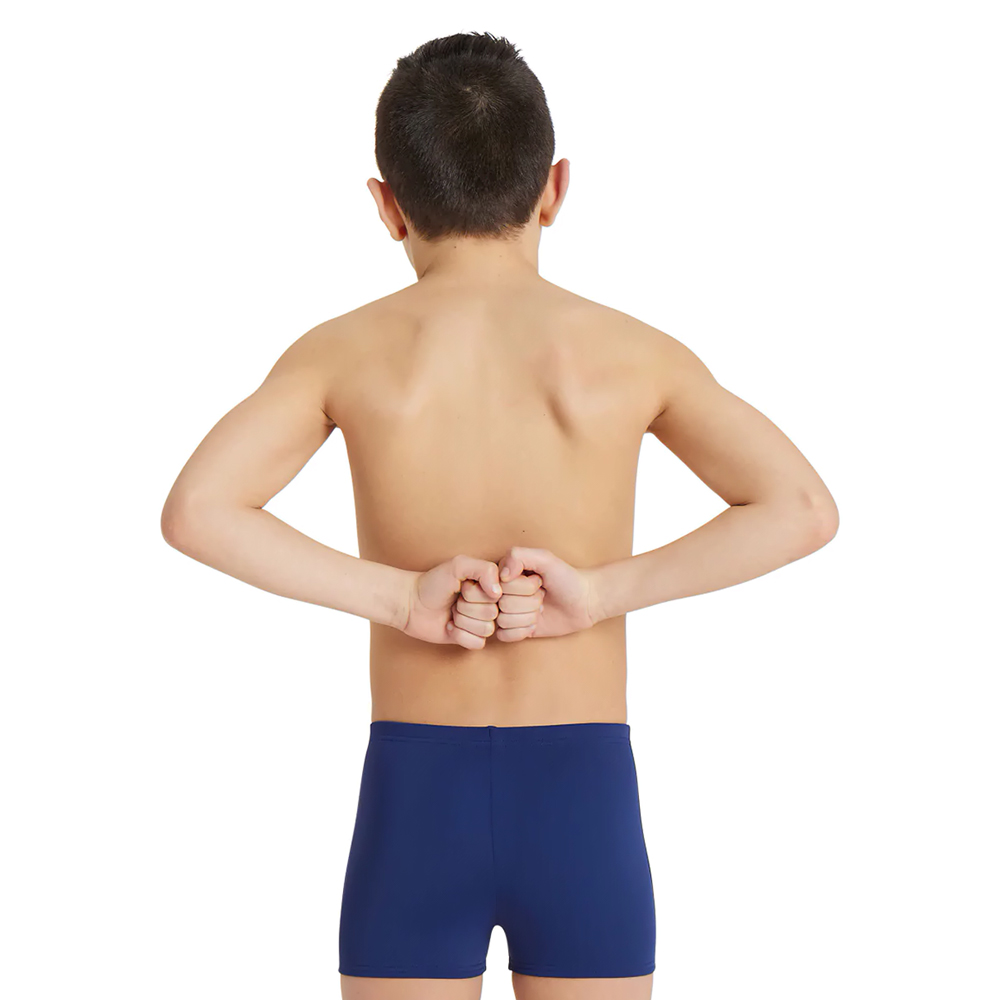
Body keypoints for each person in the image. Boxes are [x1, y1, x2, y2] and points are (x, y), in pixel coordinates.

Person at [160, 30, 839, 1000]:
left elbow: (199, 509)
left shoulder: (343, 353)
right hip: (581, 790)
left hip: (414, 794)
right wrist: (597, 593)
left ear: (387, 206)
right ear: (554, 188)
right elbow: (801, 508)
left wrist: (401, 600)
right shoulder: (630, 354)